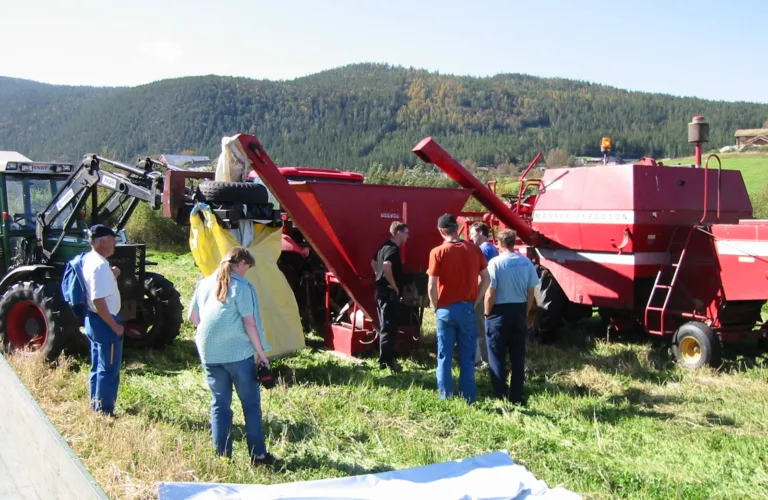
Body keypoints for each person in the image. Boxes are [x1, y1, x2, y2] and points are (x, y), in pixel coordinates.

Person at [188, 247, 280, 466]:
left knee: (219, 405)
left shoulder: (204, 283)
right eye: (247, 268)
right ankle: (258, 456)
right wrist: (262, 354)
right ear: (240, 264)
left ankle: (222, 458)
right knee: (250, 405)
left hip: (209, 353)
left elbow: (193, 318)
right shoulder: (241, 286)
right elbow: (250, 324)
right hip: (238, 353)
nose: (246, 272)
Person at [427, 214, 490, 404]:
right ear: (457, 229)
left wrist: (436, 307)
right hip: (467, 308)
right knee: (468, 355)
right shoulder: (474, 249)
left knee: (444, 356)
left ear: (441, 231)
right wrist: (476, 300)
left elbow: (431, 286)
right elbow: (486, 279)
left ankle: (445, 396)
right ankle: (468, 398)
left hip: (446, 310)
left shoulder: (437, 252)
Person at [484, 229, 540, 405]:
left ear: (499, 244)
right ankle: (516, 394)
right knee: (517, 355)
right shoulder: (526, 263)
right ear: (514, 243)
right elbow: (531, 291)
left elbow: (490, 292)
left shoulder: (495, 263)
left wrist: (487, 313)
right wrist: (525, 310)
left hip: (499, 311)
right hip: (518, 310)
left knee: (496, 354)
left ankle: (500, 392)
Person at [82, 224, 124, 417]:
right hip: (105, 321)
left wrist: (112, 275)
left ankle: (95, 404)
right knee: (109, 368)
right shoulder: (99, 266)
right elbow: (98, 299)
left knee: (97, 365)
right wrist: (114, 325)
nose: (115, 242)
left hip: (93, 320)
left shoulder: (90, 260)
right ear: (103, 241)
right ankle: (105, 411)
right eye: (113, 238)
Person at [371, 221, 410, 372]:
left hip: (380, 292)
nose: (408, 236)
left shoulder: (384, 246)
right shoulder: (392, 249)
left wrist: (377, 275)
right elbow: (387, 266)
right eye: (406, 233)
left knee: (386, 326)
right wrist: (394, 286)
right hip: (388, 294)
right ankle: (385, 362)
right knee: (389, 328)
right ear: (399, 233)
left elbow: (373, 262)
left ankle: (387, 359)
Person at [469, 222, 499, 367]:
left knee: (480, 326)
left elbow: (482, 274)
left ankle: (483, 361)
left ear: (480, 232)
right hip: (491, 290)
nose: (471, 238)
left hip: (483, 291)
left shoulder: (483, 249)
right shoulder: (492, 248)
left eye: (472, 234)